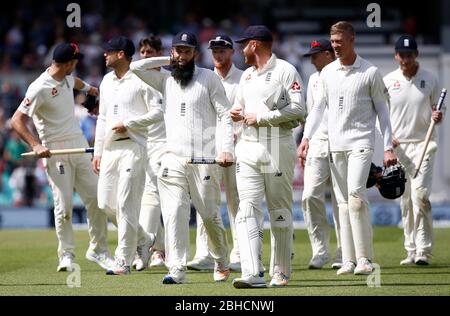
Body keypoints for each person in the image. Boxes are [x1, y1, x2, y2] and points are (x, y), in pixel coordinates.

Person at [130, 31, 234, 284]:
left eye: (187, 51)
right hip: (172, 158)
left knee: (209, 217)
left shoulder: (208, 78)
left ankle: (221, 259)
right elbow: (135, 66)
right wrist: (172, 58)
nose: (181, 55)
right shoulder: (165, 79)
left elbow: (225, 116)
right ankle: (176, 268)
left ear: (195, 54)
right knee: (174, 212)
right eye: (178, 50)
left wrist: (226, 150)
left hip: (204, 159)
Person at [299, 21, 398, 276]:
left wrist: (388, 147)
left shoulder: (370, 72)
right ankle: (349, 260)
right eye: (332, 43)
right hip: (336, 145)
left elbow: (383, 114)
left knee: (355, 197)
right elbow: (318, 109)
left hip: (361, 143)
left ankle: (365, 259)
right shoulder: (328, 73)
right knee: (342, 203)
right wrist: (306, 138)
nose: (335, 46)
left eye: (339, 42)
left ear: (352, 40)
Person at [11, 42, 114, 272]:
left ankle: (99, 250)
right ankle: (66, 255)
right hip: (55, 151)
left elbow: (77, 84)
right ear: (68, 63)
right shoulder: (39, 87)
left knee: (97, 200)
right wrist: (36, 145)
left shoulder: (68, 78)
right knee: (64, 206)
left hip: (78, 145)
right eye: (75, 61)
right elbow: (16, 120)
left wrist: (91, 91)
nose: (77, 65)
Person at [230, 25, 306, 288]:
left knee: (279, 211)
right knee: (247, 209)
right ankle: (253, 272)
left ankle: (281, 271)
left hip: (276, 146)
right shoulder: (247, 76)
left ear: (255, 44)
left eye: (243, 44)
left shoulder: (285, 71)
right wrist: (237, 112)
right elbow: (240, 105)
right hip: (248, 147)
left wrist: (261, 117)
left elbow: (298, 110)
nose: (240, 50)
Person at [92, 36, 158, 275]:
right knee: (106, 204)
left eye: (108, 52)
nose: (104, 55)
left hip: (134, 146)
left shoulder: (142, 78)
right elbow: (101, 118)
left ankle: (123, 260)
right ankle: (144, 238)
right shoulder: (106, 81)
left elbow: (158, 112)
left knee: (126, 204)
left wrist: (129, 124)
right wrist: (98, 151)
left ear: (121, 54)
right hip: (110, 148)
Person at [384, 35, 443, 266]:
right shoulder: (388, 81)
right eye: (402, 54)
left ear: (416, 54)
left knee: (421, 196)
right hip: (400, 147)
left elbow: (438, 111)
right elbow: (383, 116)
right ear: (396, 55)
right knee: (406, 200)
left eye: (410, 54)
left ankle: (424, 251)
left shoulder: (430, 78)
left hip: (424, 144)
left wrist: (438, 116)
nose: (406, 59)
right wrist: (390, 142)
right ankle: (410, 249)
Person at [187, 35, 243, 272]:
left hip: (235, 148)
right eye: (214, 51)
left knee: (236, 203)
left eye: (222, 51)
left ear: (231, 52)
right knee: (205, 202)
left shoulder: (243, 79)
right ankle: (205, 254)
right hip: (208, 149)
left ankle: (240, 254)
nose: (218, 55)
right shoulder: (203, 78)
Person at [300, 39, 342, 269]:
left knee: (341, 199)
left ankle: (344, 252)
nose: (313, 60)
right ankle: (320, 250)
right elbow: (311, 115)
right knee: (309, 196)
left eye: (316, 55)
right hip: (317, 142)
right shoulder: (313, 79)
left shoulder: (341, 74)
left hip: (341, 143)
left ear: (328, 54)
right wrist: (305, 141)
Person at [132, 35, 167, 270]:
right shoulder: (135, 79)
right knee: (145, 197)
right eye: (142, 52)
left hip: (165, 143)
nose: (145, 56)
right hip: (139, 143)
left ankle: (143, 250)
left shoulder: (169, 79)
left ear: (159, 54)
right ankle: (159, 250)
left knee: (153, 195)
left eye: (150, 52)